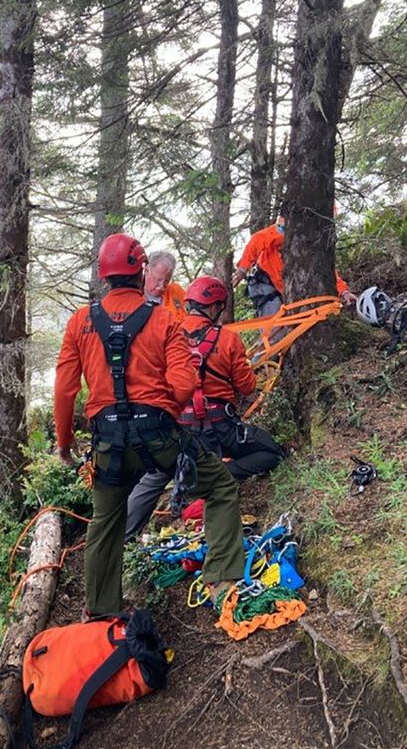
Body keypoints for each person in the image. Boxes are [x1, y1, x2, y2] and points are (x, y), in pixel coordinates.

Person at [56, 233, 244, 617]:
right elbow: (185, 382)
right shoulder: (163, 320)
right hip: (160, 435)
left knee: (105, 523)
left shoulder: (80, 322)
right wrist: (162, 409)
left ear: (103, 275)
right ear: (141, 271)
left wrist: (64, 442)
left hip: (108, 442)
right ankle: (221, 581)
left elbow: (65, 389)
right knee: (220, 488)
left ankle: (100, 612)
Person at [123, 277, 286, 539]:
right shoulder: (228, 340)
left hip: (175, 429)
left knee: (154, 475)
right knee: (272, 452)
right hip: (220, 429)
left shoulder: (166, 335)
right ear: (214, 308)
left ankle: (123, 536)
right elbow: (247, 387)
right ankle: (219, 474)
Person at [234, 214, 357, 318]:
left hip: (287, 291)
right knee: (274, 332)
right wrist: (242, 269)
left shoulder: (315, 243)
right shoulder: (288, 227)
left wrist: (344, 292)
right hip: (266, 284)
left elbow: (327, 272)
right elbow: (258, 240)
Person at [144, 251, 186, 322]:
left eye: (166, 281)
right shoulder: (134, 295)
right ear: (146, 271)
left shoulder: (177, 292)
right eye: (158, 279)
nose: (161, 286)